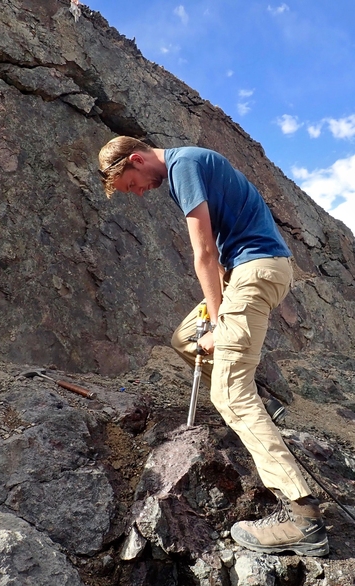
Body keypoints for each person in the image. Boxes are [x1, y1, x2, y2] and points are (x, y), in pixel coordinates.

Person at [98, 136, 329, 557]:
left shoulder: (182, 167)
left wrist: (220, 320)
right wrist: (212, 312)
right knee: (185, 338)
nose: (139, 192)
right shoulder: (191, 164)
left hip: (254, 270)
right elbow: (218, 259)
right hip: (246, 270)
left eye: (132, 184)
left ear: (137, 159)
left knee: (228, 396)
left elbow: (204, 254)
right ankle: (263, 403)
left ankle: (303, 517)